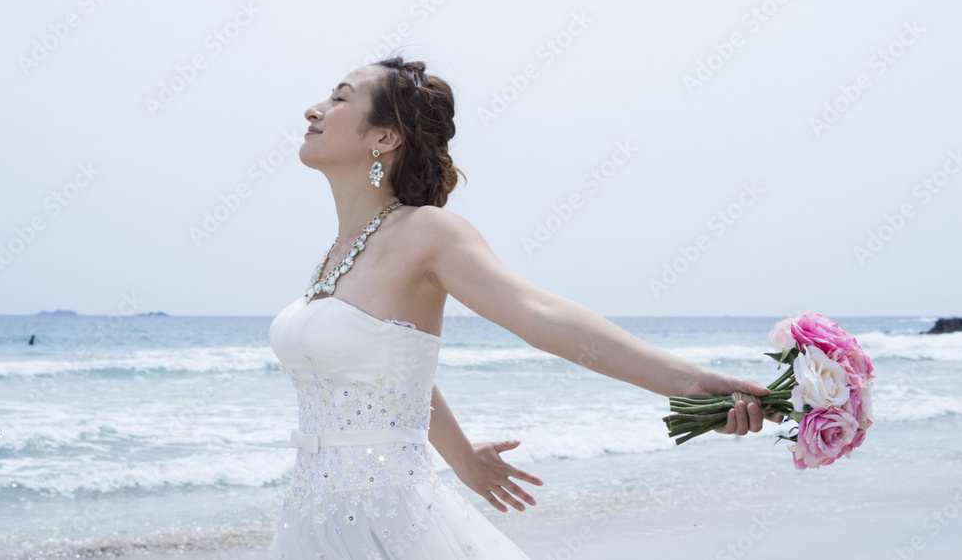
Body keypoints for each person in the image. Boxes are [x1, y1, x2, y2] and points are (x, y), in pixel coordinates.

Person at [267, 57, 778, 559]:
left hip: (389, 524)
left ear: (385, 138)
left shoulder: (427, 232)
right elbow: (387, 371)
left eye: (338, 98)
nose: (314, 110)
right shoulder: (338, 251)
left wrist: (685, 382)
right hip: (312, 524)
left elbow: (542, 315)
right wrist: (463, 457)